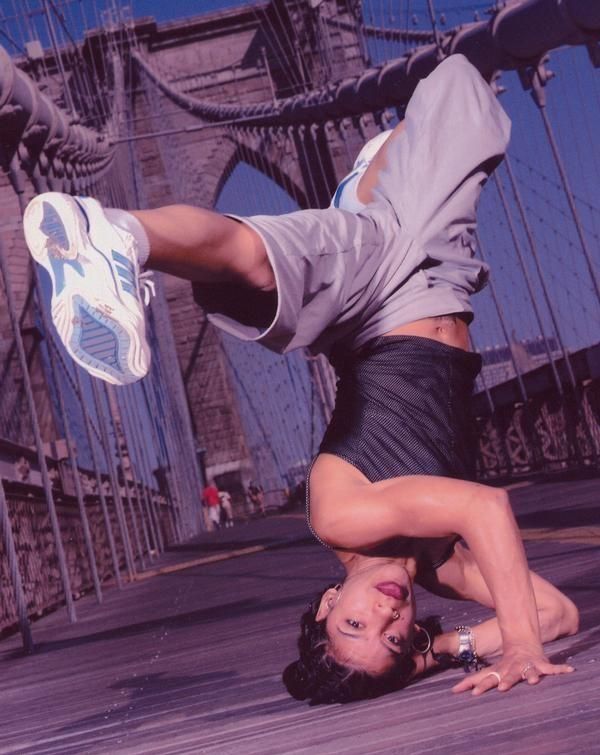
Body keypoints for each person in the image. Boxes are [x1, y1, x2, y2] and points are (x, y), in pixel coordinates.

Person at [23, 55, 578, 704]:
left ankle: (112, 234)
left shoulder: (343, 518)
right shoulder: (439, 565)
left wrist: (517, 649)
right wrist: (438, 653)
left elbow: (485, 507)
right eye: (394, 637)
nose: (387, 616)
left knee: (251, 263)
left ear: (326, 603)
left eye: (353, 623)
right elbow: (555, 614)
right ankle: (376, 170)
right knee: (464, 83)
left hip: (374, 292)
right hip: (437, 277)